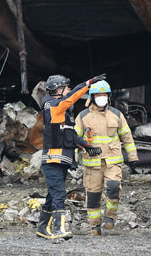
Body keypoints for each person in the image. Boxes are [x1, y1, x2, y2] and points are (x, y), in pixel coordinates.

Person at [37, 74, 104, 240]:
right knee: (59, 195)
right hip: (53, 161)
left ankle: (42, 228)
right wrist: (87, 83)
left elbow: (72, 136)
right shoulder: (53, 105)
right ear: (59, 90)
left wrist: (88, 147)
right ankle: (59, 230)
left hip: (61, 161)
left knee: (52, 195)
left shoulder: (63, 114)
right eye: (66, 88)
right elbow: (70, 98)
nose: (68, 91)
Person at [74, 80, 139, 236]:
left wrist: (133, 156)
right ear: (92, 96)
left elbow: (127, 137)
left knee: (113, 188)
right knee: (93, 195)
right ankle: (94, 226)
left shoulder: (116, 114)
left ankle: (110, 217)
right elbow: (74, 138)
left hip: (112, 161)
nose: (102, 97)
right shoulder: (83, 116)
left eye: (104, 94)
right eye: (98, 94)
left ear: (108, 96)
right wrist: (74, 158)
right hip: (92, 164)